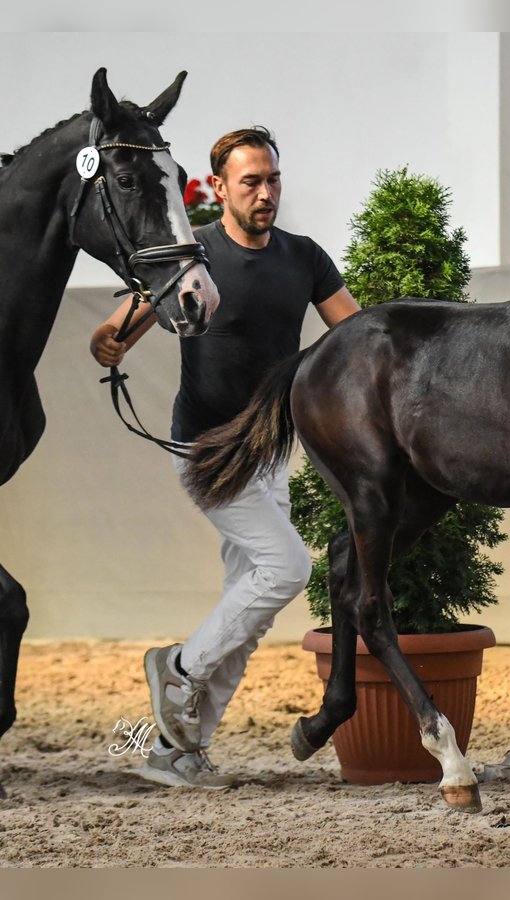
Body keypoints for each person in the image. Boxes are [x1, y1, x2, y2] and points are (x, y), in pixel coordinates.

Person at [90, 126, 360, 788]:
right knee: (287, 565)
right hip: (207, 447)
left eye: (272, 180)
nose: (265, 193)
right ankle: (178, 668)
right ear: (218, 189)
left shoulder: (304, 257)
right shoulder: (195, 252)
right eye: (251, 182)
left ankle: (176, 751)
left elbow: (357, 334)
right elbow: (122, 322)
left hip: (270, 451)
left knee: (252, 605)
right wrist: (108, 340)